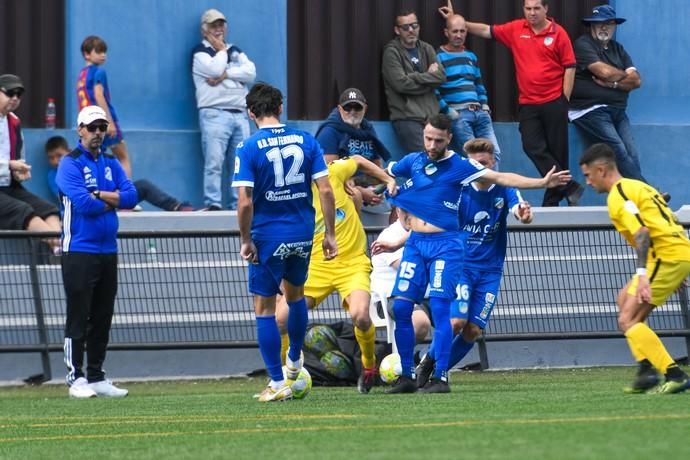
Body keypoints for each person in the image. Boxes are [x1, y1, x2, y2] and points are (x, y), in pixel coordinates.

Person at [371, 114, 570, 394]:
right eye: (428, 138)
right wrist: (384, 188)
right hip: (418, 245)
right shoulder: (414, 161)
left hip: (456, 252)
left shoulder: (462, 170)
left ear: (449, 139)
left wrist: (540, 184)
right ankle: (406, 375)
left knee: (453, 319)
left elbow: (503, 179)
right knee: (403, 308)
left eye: (438, 140)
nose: (431, 144)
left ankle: (439, 375)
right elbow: (387, 173)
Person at [232, 82, 337, 402]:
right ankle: (294, 359)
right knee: (295, 297)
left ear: (251, 113)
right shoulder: (307, 141)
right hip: (303, 232)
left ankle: (277, 382)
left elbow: (245, 202)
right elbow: (327, 191)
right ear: (280, 108)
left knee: (264, 309)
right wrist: (330, 234)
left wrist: (246, 239)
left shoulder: (248, 148)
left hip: (267, 235)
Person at [415, 138, 533, 387]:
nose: (481, 168)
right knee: (457, 321)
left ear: (494, 164)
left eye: (485, 163)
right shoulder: (458, 189)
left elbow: (519, 209)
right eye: (475, 164)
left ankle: (434, 366)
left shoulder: (504, 188)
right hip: (460, 266)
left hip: (490, 270)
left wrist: (524, 214)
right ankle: (430, 366)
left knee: (473, 331)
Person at [275, 154, 397, 394]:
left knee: (361, 315)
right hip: (315, 267)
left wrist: (387, 179)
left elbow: (359, 160)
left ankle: (369, 365)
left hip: (351, 263)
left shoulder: (333, 172)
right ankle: (287, 374)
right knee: (281, 318)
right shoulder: (289, 198)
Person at [579, 143, 690, 394]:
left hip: (666, 255)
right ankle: (645, 371)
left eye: (588, 175)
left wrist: (643, 276)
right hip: (672, 254)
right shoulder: (638, 186)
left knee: (628, 319)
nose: (587, 182)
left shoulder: (618, 195)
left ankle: (675, 374)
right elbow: (664, 218)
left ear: (601, 170)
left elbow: (641, 232)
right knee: (623, 300)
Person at [459, 0, 584, 207]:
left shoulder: (558, 33)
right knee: (531, 145)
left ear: (546, 9)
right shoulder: (516, 29)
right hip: (528, 103)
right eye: (528, 8)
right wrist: (463, 23)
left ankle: (552, 203)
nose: (532, 13)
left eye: (536, 8)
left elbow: (569, 66)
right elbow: (487, 30)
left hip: (554, 101)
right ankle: (569, 187)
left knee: (557, 153)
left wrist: (564, 101)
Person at [56, 105, 138, 398]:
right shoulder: (70, 164)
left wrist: (102, 195)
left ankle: (96, 375)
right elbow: (84, 205)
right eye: (92, 128)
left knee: (103, 314)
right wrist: (114, 200)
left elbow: (132, 195)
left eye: (102, 127)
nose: (98, 133)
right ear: (80, 130)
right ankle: (75, 377)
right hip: (78, 249)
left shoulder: (110, 160)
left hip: (107, 249)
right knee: (78, 314)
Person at [570, 5, 665, 199]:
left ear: (614, 26)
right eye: (599, 24)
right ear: (591, 26)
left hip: (617, 110)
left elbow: (636, 81)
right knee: (618, 149)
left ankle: (634, 199)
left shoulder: (618, 49)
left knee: (631, 153)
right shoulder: (583, 44)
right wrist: (618, 77)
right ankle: (649, 195)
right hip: (589, 110)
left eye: (609, 23)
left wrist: (611, 84)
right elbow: (604, 72)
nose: (604, 27)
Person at [193, 8, 256, 211]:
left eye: (221, 25)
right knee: (214, 161)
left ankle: (238, 205)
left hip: (240, 113)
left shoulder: (235, 50)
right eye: (213, 26)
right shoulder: (200, 52)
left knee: (240, 164)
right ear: (205, 30)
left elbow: (250, 72)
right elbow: (213, 70)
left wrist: (226, 74)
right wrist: (221, 51)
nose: (218, 29)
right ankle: (214, 203)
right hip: (214, 113)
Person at [45, 136, 193, 211]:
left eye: (59, 155)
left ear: (69, 151)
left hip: (110, 199)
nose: (56, 161)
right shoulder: (55, 176)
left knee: (143, 186)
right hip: (91, 208)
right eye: (51, 158)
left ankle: (176, 207)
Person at [0, 74, 62, 247]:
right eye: (10, 93)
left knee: (48, 209)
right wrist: (9, 165)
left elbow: (19, 157)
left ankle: (59, 249)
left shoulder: (14, 122)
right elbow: (10, 163)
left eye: (18, 95)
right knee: (23, 211)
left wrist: (20, 172)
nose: (14, 98)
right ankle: (63, 248)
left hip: (9, 187)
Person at [435, 13, 502, 164]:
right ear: (446, 32)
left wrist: (484, 105)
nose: (459, 35)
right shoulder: (438, 57)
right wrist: (447, 111)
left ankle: (492, 188)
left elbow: (478, 84)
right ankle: (475, 188)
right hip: (459, 115)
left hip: (480, 113)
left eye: (462, 31)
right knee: (474, 158)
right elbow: (434, 89)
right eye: (455, 31)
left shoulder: (471, 56)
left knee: (494, 154)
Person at [315, 88, 392, 211]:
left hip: (366, 187)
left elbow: (378, 169)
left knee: (399, 198)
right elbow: (330, 177)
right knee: (356, 196)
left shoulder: (368, 130)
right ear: (340, 109)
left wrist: (377, 190)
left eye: (357, 107)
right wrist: (362, 192)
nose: (352, 112)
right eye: (347, 108)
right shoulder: (329, 132)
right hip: (342, 193)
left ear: (365, 109)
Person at [382, 9, 446, 155]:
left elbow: (441, 76)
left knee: (438, 161)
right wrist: (428, 78)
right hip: (407, 118)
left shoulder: (427, 48)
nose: (411, 30)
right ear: (397, 30)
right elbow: (401, 84)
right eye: (405, 27)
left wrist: (414, 77)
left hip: (431, 117)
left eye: (414, 25)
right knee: (423, 161)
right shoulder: (391, 52)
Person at [370, 207, 432, 344]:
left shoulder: (430, 230)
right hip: (391, 297)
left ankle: (427, 358)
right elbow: (409, 269)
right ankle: (401, 361)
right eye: (405, 209)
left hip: (427, 295)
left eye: (413, 207)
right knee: (420, 322)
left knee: (457, 319)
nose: (410, 214)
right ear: (397, 211)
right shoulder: (389, 235)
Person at [76, 36, 133, 178]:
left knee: (94, 159)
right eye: (99, 51)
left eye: (104, 52)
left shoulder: (81, 75)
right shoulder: (98, 71)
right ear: (87, 54)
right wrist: (109, 122)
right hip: (102, 121)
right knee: (123, 157)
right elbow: (99, 95)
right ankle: (127, 194)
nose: (103, 55)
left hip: (88, 124)